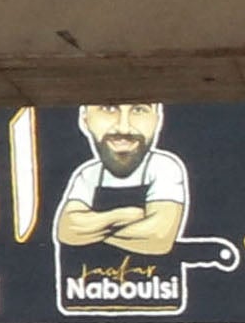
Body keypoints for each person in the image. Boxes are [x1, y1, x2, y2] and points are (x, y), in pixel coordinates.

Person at [50, 103, 191, 261]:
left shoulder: (163, 166)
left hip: (156, 283)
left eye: (139, 110)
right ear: (85, 119)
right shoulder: (89, 174)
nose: (124, 128)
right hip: (90, 282)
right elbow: (67, 230)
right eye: (108, 108)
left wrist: (94, 234)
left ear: (157, 120)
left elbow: (159, 237)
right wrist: (127, 215)